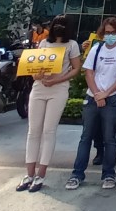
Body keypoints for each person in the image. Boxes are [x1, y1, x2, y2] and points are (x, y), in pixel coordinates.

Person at [65, 17, 116, 190]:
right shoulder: (96, 49)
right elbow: (89, 72)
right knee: (86, 137)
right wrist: (97, 94)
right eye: (107, 32)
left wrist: (106, 93)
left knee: (109, 138)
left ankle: (109, 174)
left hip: (113, 98)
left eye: (113, 33)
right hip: (93, 97)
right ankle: (77, 174)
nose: (110, 36)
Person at [18, 15, 82, 192]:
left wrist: (57, 80)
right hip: (39, 88)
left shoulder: (72, 45)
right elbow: (35, 67)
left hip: (58, 89)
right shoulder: (44, 43)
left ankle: (41, 174)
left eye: (63, 25)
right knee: (33, 131)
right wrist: (36, 75)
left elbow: (76, 68)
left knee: (49, 130)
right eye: (57, 24)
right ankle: (29, 174)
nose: (59, 27)